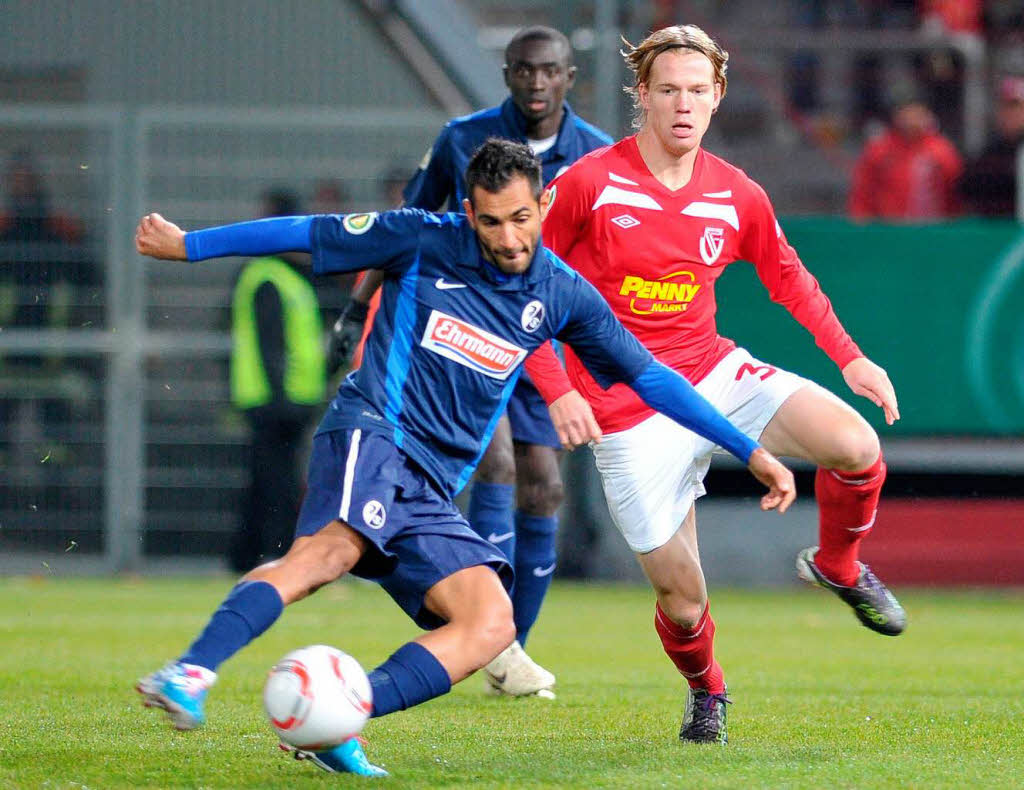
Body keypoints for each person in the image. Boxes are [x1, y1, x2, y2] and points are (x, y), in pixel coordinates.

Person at [133, 139, 795, 777]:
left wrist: (749, 449)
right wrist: (191, 245)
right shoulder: (422, 237)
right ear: (469, 213)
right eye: (490, 222)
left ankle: (338, 715)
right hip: (374, 433)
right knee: (328, 555)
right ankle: (189, 673)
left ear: (542, 205)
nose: (507, 238)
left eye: (521, 219)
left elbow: (649, 377)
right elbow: (307, 231)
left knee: (488, 623)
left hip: (431, 485)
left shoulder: (560, 292)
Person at [524, 25, 907, 745]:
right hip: (626, 410)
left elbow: (789, 280)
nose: (682, 104)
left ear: (718, 96)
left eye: (697, 90)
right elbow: (521, 291)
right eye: (667, 89)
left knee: (855, 445)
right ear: (641, 95)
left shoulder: (736, 194)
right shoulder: (587, 184)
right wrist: (558, 388)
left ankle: (838, 564)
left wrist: (851, 358)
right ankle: (709, 691)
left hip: (714, 372)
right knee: (683, 599)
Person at [328, 25, 613, 698]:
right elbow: (406, 224)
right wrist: (356, 309)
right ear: (508, 73)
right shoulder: (463, 140)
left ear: (570, 78)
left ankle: (513, 647)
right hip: (466, 331)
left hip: (540, 334)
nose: (536, 83)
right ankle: (499, 646)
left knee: (543, 484)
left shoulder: (600, 158)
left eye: (549, 71)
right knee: (499, 463)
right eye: (523, 70)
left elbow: (603, 260)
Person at [226, 188, 328, 572]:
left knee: (264, 480)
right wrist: (284, 398)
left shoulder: (281, 278)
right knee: (277, 485)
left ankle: (244, 556)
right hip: (276, 402)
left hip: (282, 399)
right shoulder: (271, 278)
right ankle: (276, 555)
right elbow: (273, 346)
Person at [847, 84, 963, 220]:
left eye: (917, 114)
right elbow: (863, 191)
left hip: (933, 227)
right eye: (907, 114)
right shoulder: (880, 150)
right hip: (889, 227)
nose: (912, 120)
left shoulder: (942, 151)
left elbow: (954, 192)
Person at [959, 74, 1024, 218]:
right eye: (1004, 107)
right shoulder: (991, 150)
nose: (1009, 114)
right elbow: (968, 185)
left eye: (1015, 107)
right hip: (1000, 232)